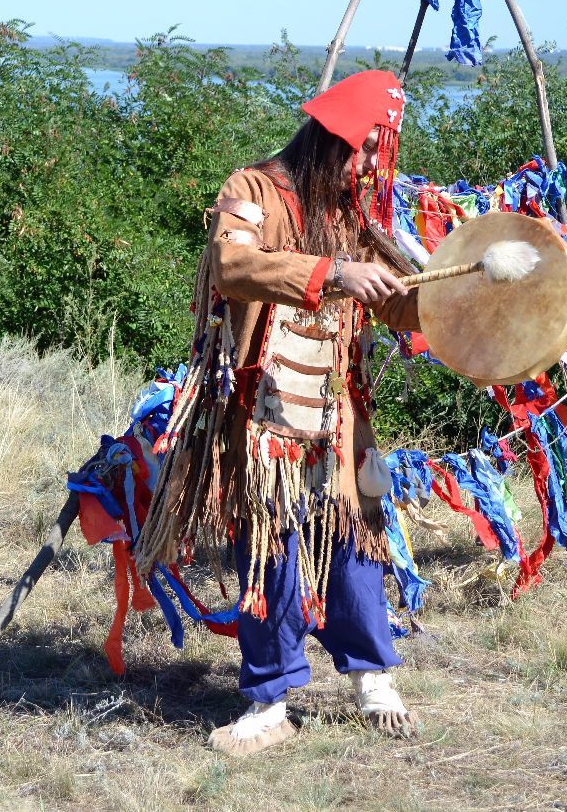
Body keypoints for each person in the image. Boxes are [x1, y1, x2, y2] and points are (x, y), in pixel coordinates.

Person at [134, 70, 424, 756]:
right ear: (326, 143)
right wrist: (330, 274)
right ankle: (269, 699)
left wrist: (451, 298)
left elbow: (397, 303)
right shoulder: (252, 189)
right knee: (267, 543)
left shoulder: (353, 213)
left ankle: (373, 678)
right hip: (258, 414)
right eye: (358, 154)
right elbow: (233, 265)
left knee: (358, 533)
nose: (363, 168)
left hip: (340, 411)